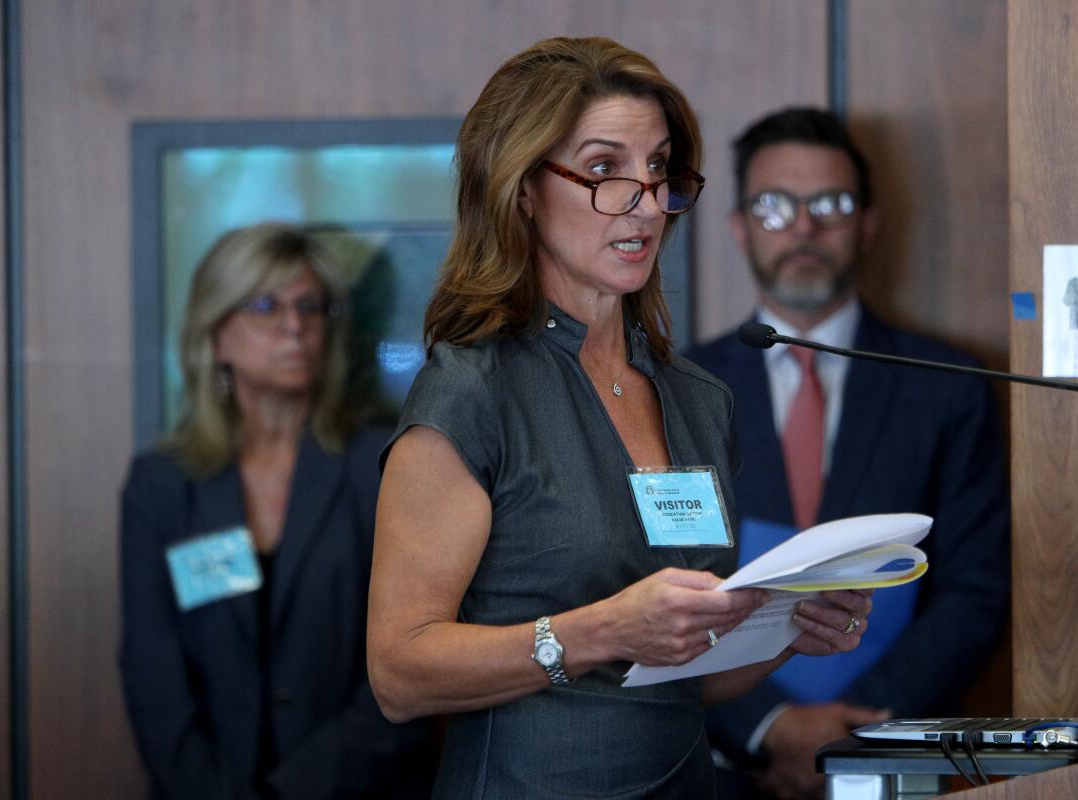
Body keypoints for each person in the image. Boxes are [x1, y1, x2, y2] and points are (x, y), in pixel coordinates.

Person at [366, 38, 874, 799]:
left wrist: (785, 632)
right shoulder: (472, 391)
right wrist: (601, 630)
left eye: (660, 167)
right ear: (524, 188)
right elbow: (399, 674)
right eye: (605, 169)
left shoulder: (699, 398)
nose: (645, 199)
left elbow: (684, 674)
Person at [686, 108, 1011, 799]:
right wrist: (770, 726)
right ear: (739, 225)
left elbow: (974, 592)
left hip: (893, 755)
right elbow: (654, 583)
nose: (803, 227)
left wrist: (848, 737)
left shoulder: (950, 386)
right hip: (718, 762)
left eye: (830, 204)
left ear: (868, 222)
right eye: (775, 206)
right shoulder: (678, 387)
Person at [119, 223, 435, 799]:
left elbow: (408, 663)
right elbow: (153, 681)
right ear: (216, 335)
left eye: (309, 307)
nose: (294, 327)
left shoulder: (383, 466)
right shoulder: (161, 486)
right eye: (265, 306)